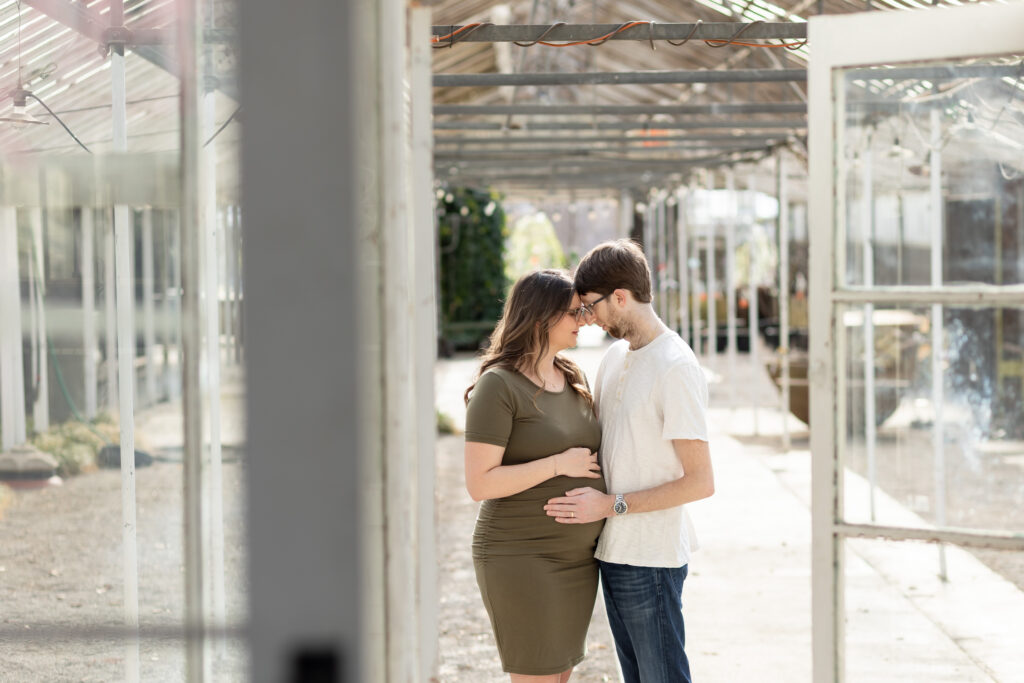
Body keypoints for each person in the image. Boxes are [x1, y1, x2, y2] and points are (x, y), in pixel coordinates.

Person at [544, 239, 714, 683]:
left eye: (591, 306)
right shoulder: (615, 356)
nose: (588, 318)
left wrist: (609, 505)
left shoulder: (675, 365)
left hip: (652, 558)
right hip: (613, 552)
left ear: (620, 296)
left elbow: (700, 482)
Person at [464, 268, 607, 682]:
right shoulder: (499, 386)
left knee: (560, 676)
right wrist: (558, 465)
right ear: (542, 317)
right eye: (574, 312)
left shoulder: (573, 377)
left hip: (577, 562)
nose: (584, 319)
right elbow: (480, 483)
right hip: (521, 556)